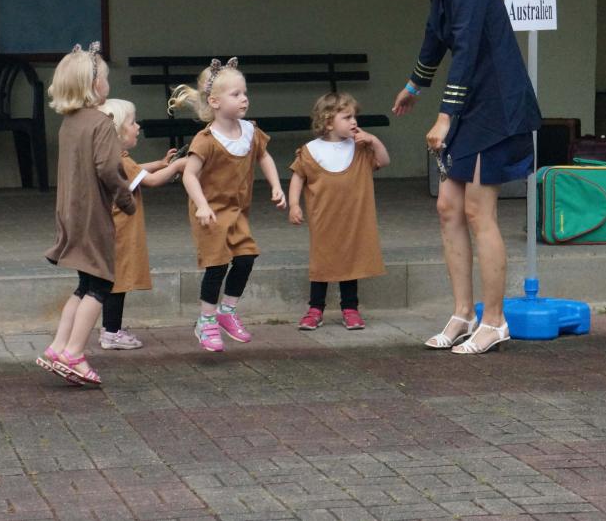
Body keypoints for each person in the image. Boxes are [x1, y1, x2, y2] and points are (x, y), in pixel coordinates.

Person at [390, 0, 542, 354]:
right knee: (448, 207)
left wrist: (444, 116)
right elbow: (435, 40)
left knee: (478, 212)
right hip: (472, 109)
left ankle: (495, 321)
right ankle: (463, 313)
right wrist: (413, 86)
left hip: (495, 110)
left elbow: (468, 52)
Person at [167, 58, 287, 352]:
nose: (244, 98)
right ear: (215, 102)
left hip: (236, 212)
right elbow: (189, 175)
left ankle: (227, 311)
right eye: (236, 94)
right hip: (209, 213)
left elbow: (264, 156)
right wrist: (201, 205)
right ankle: (206, 320)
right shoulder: (206, 139)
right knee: (217, 264)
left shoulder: (250, 131)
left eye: (245, 92)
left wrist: (276, 185)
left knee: (246, 257)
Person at [38, 43, 134, 385]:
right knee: (103, 284)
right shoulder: (101, 123)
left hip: (70, 212)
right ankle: (74, 353)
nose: (108, 83)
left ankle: (58, 346)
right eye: (105, 78)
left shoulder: (69, 123)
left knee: (84, 284)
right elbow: (108, 169)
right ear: (94, 85)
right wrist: (125, 198)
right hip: (93, 215)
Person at [288, 92, 390, 330]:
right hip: (324, 219)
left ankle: (350, 308)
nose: (354, 121)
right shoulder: (311, 150)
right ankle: (315, 308)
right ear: (328, 122)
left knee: (350, 262)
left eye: (354, 117)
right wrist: (294, 204)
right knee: (321, 263)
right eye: (347, 117)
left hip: (353, 220)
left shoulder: (360, 148)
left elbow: (384, 161)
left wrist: (374, 140)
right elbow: (298, 177)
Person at [95, 99, 188, 350]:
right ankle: (112, 333)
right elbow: (152, 181)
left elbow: (137, 171)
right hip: (121, 233)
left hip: (110, 231)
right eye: (132, 123)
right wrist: (178, 166)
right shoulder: (121, 161)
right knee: (119, 283)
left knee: (113, 282)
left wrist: (160, 164)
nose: (138, 127)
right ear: (117, 132)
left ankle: (109, 328)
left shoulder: (114, 158)